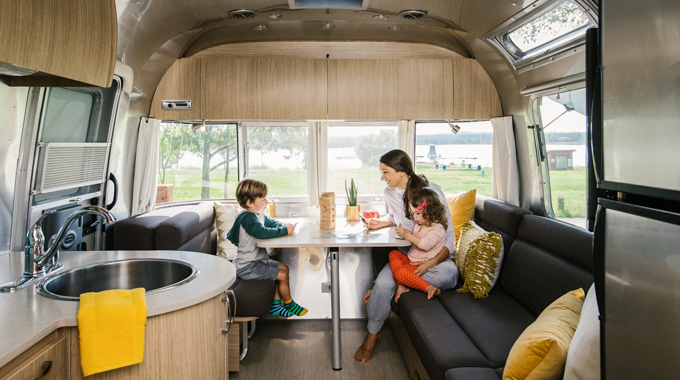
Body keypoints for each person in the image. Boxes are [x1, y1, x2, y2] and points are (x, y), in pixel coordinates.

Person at [354, 149, 459, 363]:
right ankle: (372, 336)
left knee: (449, 273)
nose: (382, 177)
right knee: (383, 287)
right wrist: (381, 222)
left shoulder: (431, 193)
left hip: (434, 258)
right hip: (408, 257)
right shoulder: (389, 193)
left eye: (385, 172)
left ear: (402, 171)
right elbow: (394, 217)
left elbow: (449, 236)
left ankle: (403, 281)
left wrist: (433, 261)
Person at [226, 179, 307, 318]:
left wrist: (283, 225)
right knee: (282, 275)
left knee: (284, 268)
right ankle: (289, 302)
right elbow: (262, 233)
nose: (267, 202)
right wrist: (284, 231)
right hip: (248, 267)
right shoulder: (247, 218)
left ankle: (276, 306)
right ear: (249, 203)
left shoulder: (258, 215)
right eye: (263, 199)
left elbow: (271, 222)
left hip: (258, 262)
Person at [390, 188, 448, 302]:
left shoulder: (437, 229)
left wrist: (408, 236)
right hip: (411, 259)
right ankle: (402, 285)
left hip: (420, 264)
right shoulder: (420, 224)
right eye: (413, 213)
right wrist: (408, 233)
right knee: (394, 253)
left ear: (430, 212)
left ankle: (427, 288)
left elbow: (426, 244)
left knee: (399, 273)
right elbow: (418, 237)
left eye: (418, 213)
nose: (415, 217)